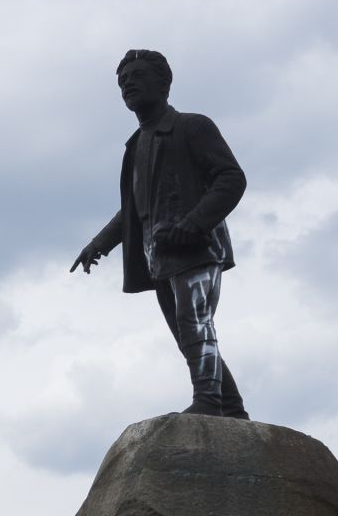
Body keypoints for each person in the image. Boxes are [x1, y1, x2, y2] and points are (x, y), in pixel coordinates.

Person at [70, 49, 249, 420]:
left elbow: (231, 178)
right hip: (160, 254)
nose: (128, 85)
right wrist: (98, 244)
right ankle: (229, 408)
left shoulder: (193, 126)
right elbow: (134, 209)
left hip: (197, 247)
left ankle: (209, 402)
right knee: (188, 333)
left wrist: (194, 223)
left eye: (136, 76)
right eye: (122, 82)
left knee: (194, 322)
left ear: (164, 83)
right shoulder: (135, 146)